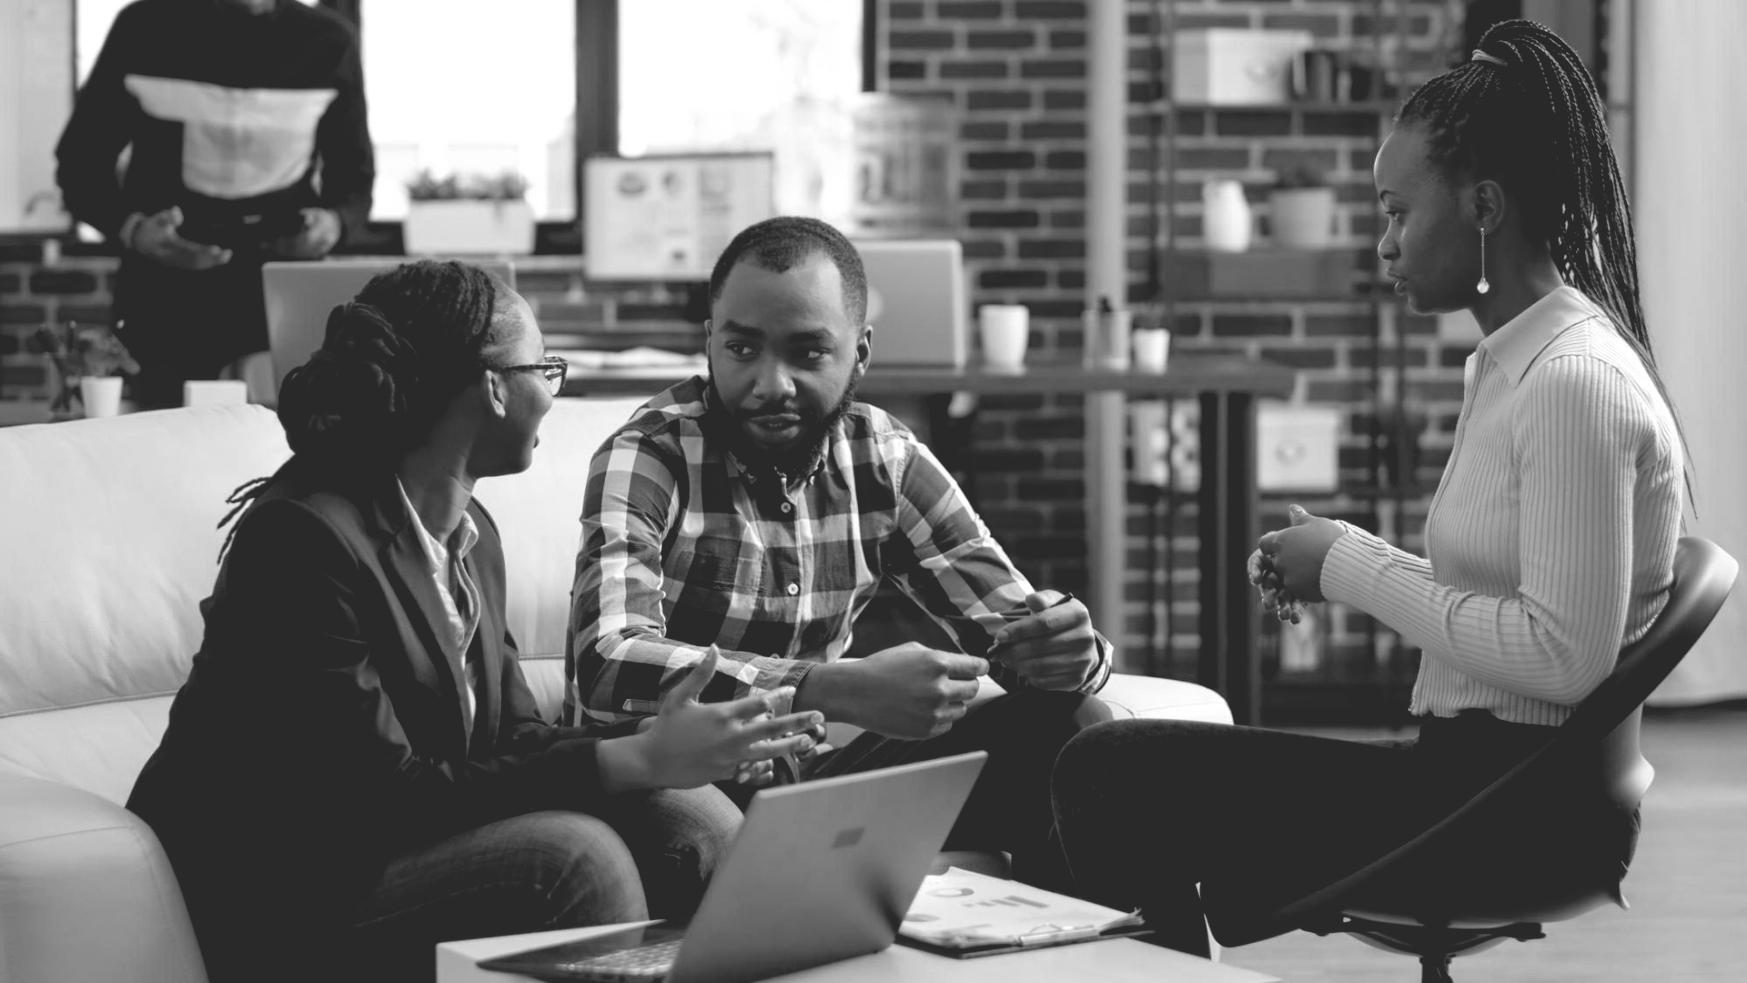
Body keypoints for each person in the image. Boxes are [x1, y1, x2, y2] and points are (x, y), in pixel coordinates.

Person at [1051, 19, 1686, 956]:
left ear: (1482, 208)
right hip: (1468, 780)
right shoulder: (1517, 363)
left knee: (1105, 770)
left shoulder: (1569, 383)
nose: (1382, 242)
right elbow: (1516, 608)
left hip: (1510, 813)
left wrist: (1348, 565)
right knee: (1113, 759)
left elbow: (1564, 659)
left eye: (1396, 211)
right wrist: (1344, 555)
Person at [126, 260, 822, 983]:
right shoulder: (301, 541)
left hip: (392, 840)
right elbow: (376, 797)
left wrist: (657, 743)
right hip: (280, 887)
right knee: (575, 858)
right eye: (545, 369)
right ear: (494, 386)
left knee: (695, 817)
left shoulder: (470, 533)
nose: (555, 394)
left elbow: (508, 734)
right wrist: (629, 761)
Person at [566, 216, 1113, 890]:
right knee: (712, 837)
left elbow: (1014, 631)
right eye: (741, 348)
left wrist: (1067, 653)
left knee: (1079, 733)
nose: (770, 383)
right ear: (709, 340)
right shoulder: (649, 455)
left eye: (806, 353)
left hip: (811, 770)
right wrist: (825, 686)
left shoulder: (883, 457)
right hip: (676, 772)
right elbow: (606, 662)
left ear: (860, 352)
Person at [55, 0, 376, 408]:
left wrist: (333, 225)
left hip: (279, 289)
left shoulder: (330, 40)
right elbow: (80, 163)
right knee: (158, 442)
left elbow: (355, 179)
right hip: (163, 291)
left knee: (293, 444)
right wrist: (133, 229)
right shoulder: (144, 27)